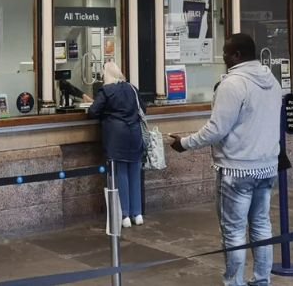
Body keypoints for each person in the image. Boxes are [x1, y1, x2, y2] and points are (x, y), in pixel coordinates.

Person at [168, 33, 282, 286]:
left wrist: (184, 144)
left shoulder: (233, 84)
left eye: (226, 53)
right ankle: (262, 281)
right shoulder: (272, 81)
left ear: (238, 55)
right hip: (267, 166)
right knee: (262, 226)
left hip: (237, 169)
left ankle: (235, 282)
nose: (224, 58)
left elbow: (216, 129)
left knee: (234, 232)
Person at [87, 62, 145, 228]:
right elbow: (144, 109)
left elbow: (93, 112)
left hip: (116, 137)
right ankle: (138, 213)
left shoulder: (106, 90)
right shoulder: (132, 88)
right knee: (134, 173)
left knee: (120, 174)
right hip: (134, 134)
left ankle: (125, 215)